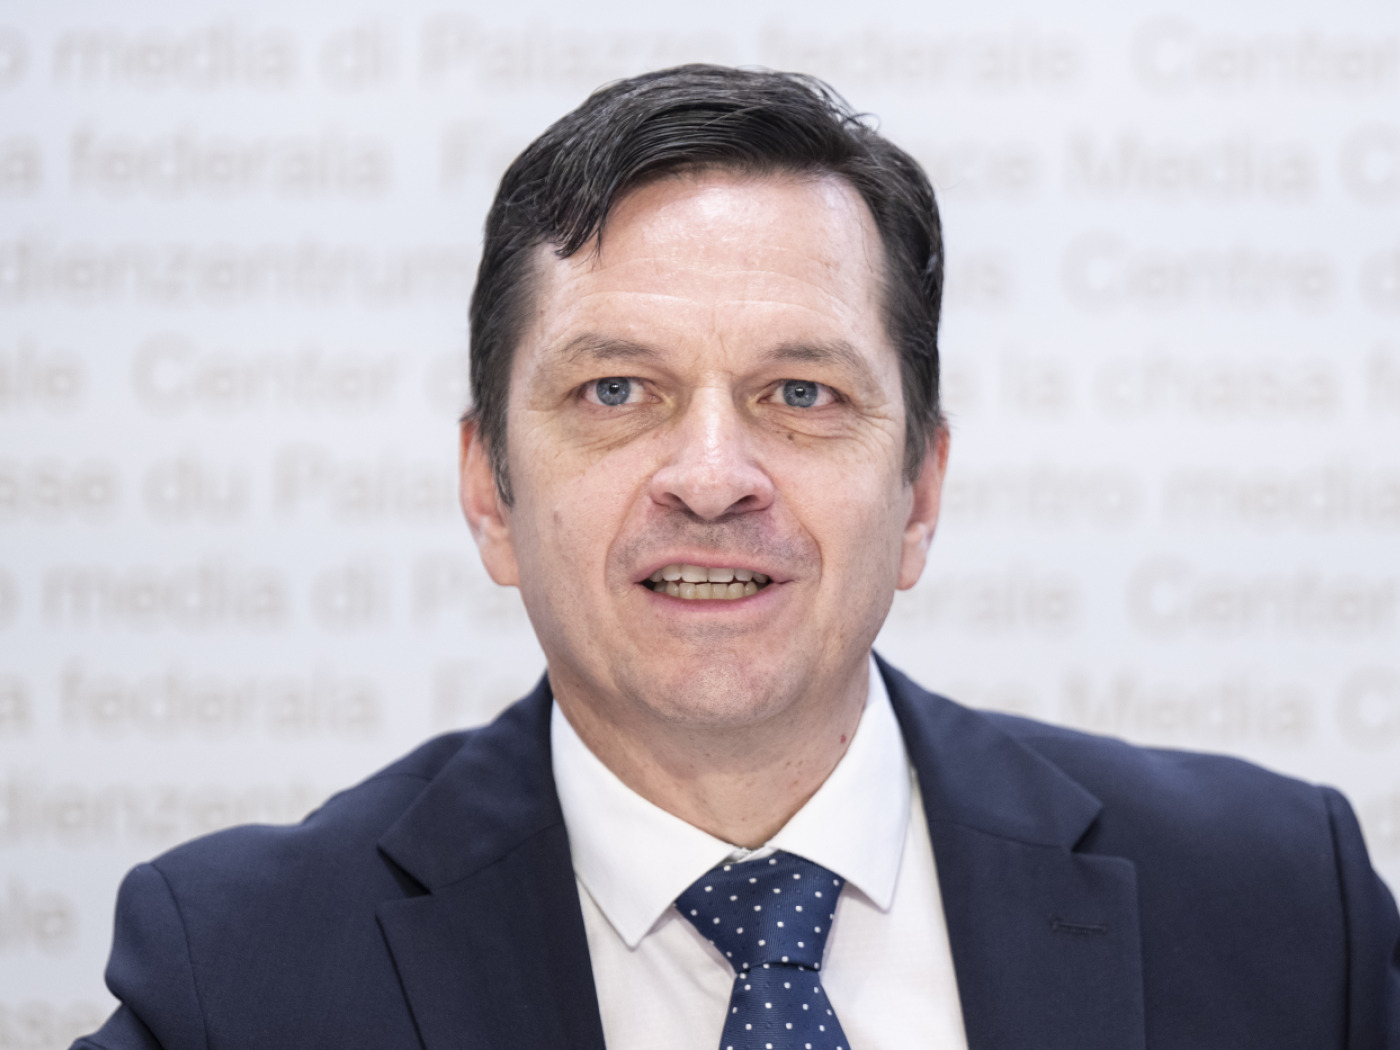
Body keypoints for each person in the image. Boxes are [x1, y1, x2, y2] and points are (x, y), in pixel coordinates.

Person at [75, 65, 1398, 1050]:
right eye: (615, 392)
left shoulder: (1282, 904)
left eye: (801, 394)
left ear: (920, 490)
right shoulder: (242, 975)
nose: (712, 476)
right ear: (489, 490)